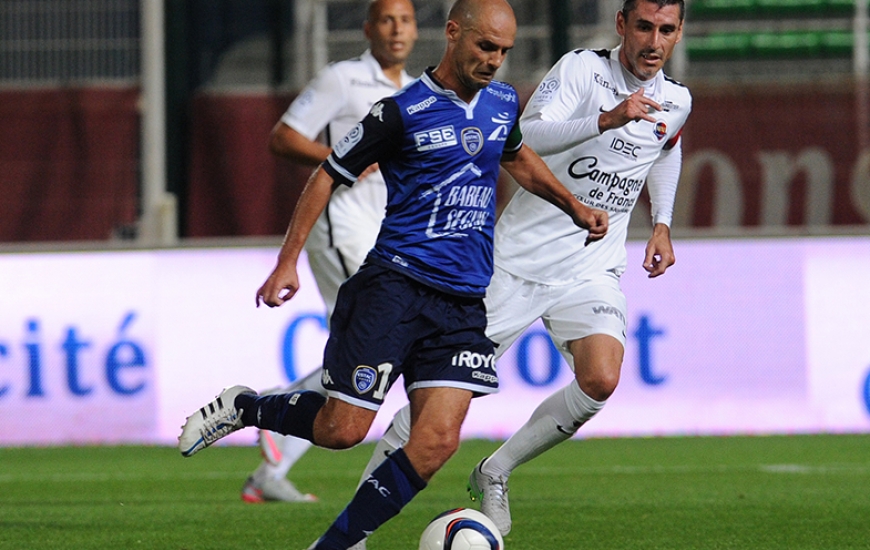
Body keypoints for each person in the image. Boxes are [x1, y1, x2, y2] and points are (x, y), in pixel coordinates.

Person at [178, 1, 608, 549]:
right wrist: (287, 260)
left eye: (504, 51)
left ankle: (333, 546)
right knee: (343, 431)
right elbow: (325, 176)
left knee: (436, 443)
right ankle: (246, 406)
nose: (495, 61)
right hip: (395, 288)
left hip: (462, 303)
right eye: (485, 47)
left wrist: (573, 206)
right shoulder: (399, 112)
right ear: (453, 34)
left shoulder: (502, 103)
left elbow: (517, 157)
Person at [464, 0, 692, 536]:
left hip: (592, 265)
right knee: (444, 395)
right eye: (643, 27)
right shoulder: (581, 69)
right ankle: (357, 523)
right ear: (621, 25)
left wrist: (662, 222)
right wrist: (608, 119)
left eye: (666, 30)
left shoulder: (677, 100)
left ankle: (494, 471)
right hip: (517, 262)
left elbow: (665, 149)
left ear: (679, 34)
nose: (653, 42)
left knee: (600, 378)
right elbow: (524, 136)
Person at [240, 0, 419, 506]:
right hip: (340, 227)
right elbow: (283, 138)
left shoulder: (414, 92)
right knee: (369, 342)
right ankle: (273, 411)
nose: (397, 29)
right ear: (368, 29)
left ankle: (270, 466)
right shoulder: (343, 79)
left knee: (375, 348)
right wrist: (341, 158)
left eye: (405, 19)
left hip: (382, 234)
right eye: (387, 19)